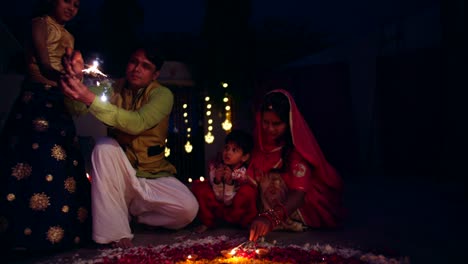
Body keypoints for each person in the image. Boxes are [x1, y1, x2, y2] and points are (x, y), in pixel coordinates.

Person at [59, 46, 199, 248]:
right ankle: (116, 232)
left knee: (188, 209)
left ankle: (135, 216)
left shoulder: (162, 95)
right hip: (122, 175)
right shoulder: (112, 87)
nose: (137, 69)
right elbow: (76, 107)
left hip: (152, 174)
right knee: (104, 146)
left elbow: (136, 123)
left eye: (145, 66)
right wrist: (76, 79)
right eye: (134, 62)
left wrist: (88, 98)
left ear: (155, 74)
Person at [0, 0, 91, 252]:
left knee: (63, 161)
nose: (72, 8)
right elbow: (42, 63)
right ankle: (24, 235)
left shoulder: (70, 36)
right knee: (32, 160)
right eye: (66, 1)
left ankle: (63, 233)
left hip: (58, 99)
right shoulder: (39, 24)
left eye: (77, 4)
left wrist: (77, 76)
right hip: (36, 97)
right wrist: (69, 78)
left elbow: (68, 67)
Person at [248, 89, 344, 242]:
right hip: (267, 212)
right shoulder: (259, 147)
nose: (270, 129)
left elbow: (298, 195)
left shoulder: (296, 151)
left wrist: (270, 218)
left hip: (295, 208)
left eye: (277, 123)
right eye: (266, 122)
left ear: (289, 122)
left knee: (274, 181)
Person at [192, 129, 257, 233]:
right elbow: (218, 197)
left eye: (234, 150)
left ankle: (248, 223)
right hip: (220, 207)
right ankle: (207, 222)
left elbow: (229, 201)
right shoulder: (216, 167)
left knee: (249, 191)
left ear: (244, 157)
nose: (228, 153)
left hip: (236, 210)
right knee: (201, 187)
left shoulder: (243, 174)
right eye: (227, 148)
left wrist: (230, 182)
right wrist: (217, 181)